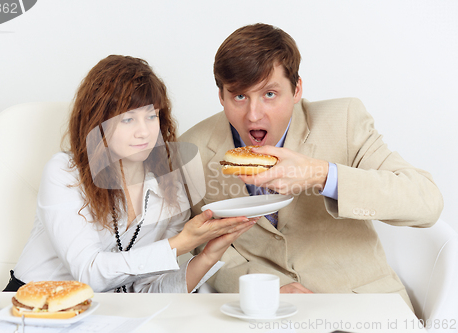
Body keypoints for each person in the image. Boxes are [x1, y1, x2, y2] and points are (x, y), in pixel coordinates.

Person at [179, 23, 443, 308]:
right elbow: (184, 249)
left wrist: (321, 174)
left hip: (361, 305)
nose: (253, 115)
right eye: (239, 96)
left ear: (296, 90)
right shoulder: (192, 150)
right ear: (222, 96)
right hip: (263, 313)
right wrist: (263, 288)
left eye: (269, 94)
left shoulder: (344, 121)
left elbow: (426, 203)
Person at [4, 55, 255, 293]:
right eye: (127, 120)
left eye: (151, 116)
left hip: (104, 312)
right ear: (96, 121)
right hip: (31, 306)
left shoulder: (170, 188)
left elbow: (144, 290)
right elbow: (87, 272)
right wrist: (180, 244)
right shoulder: (65, 173)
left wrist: (209, 255)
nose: (144, 132)